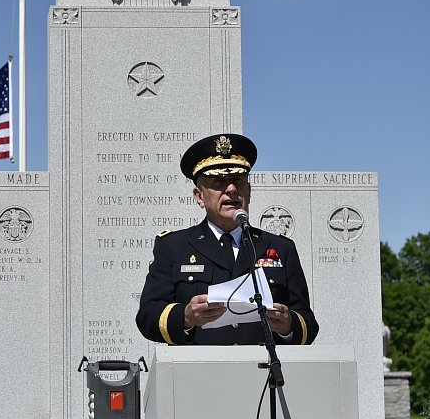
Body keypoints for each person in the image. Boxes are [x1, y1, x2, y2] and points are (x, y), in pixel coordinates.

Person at [135, 133, 319, 346]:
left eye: (238, 181)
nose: (231, 189)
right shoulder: (174, 247)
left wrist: (288, 325)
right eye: (219, 182)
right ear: (199, 196)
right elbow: (147, 316)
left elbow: (308, 323)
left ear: (248, 192)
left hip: (263, 373)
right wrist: (186, 316)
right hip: (198, 374)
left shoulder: (280, 248)